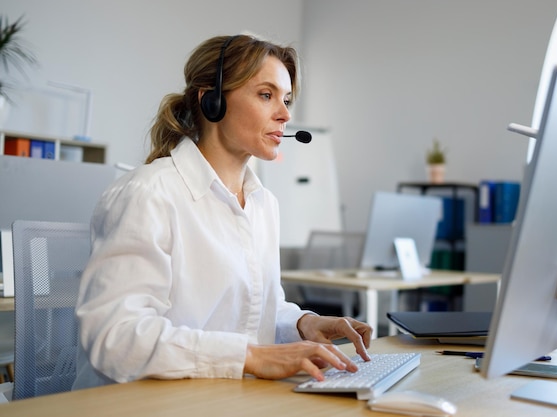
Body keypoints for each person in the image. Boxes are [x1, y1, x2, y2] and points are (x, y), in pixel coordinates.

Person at [72, 34, 372, 390]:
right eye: (266, 95)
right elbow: (115, 337)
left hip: (221, 398)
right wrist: (249, 357)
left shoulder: (263, 203)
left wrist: (303, 323)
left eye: (287, 99)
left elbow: (255, 308)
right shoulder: (149, 194)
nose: (285, 114)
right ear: (211, 100)